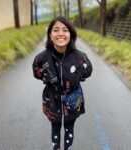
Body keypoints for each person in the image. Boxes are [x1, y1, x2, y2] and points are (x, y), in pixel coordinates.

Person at [32, 16, 92, 150]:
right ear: (50, 35)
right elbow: (36, 72)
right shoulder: (41, 57)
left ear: (70, 34)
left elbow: (88, 70)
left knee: (69, 126)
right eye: (56, 30)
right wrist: (47, 78)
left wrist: (78, 75)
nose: (60, 34)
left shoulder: (79, 56)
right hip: (52, 99)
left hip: (73, 98)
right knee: (55, 126)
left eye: (65, 30)